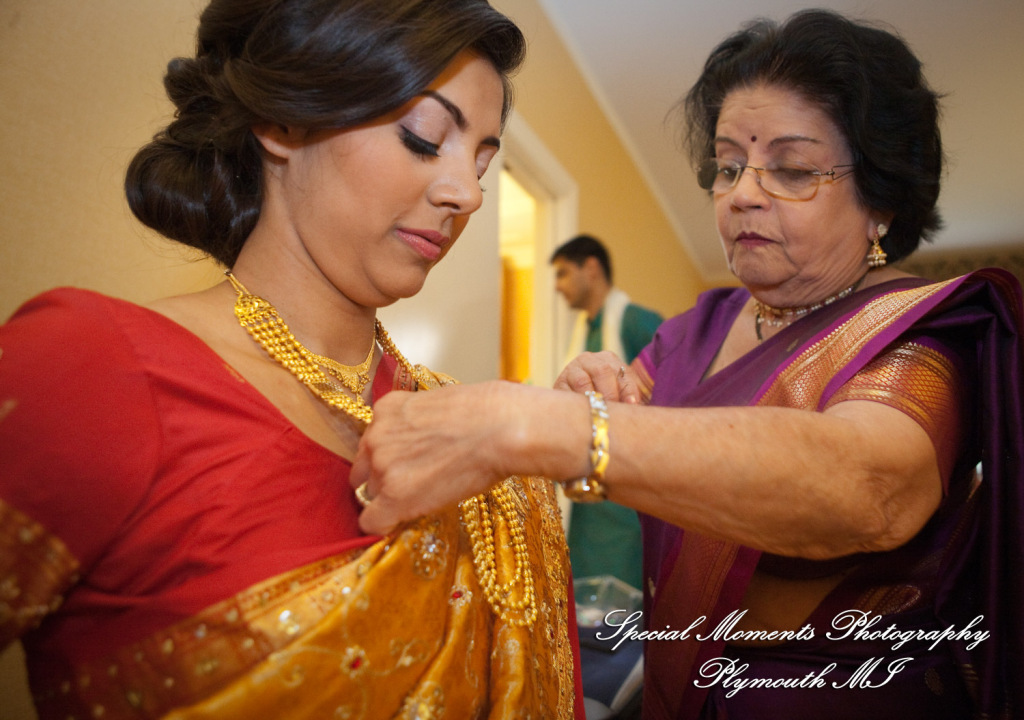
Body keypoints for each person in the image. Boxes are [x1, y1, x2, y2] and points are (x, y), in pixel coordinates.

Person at [349, 9, 1023, 719]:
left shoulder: (915, 334)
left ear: (880, 199)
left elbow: (872, 486)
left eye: (791, 169)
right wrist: (589, 392)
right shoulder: (696, 327)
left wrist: (536, 423)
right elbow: (627, 433)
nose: (742, 193)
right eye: (729, 166)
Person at [0, 1, 585, 718]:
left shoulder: (474, 432)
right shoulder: (96, 367)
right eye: (424, 138)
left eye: (484, 161)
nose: (466, 194)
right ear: (284, 121)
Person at [551, 234, 662, 590]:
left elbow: (675, 394)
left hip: (624, 503)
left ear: (592, 269)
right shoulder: (583, 332)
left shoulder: (636, 322)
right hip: (585, 499)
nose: (558, 286)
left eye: (564, 273)